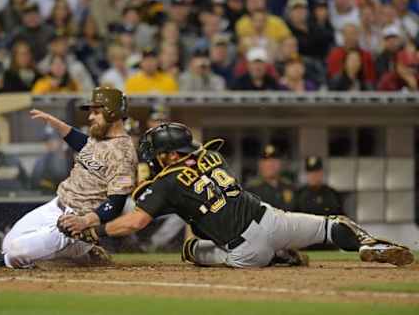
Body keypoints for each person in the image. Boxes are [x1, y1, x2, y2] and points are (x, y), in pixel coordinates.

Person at [56, 122, 414, 268]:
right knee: (333, 224)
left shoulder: (164, 181)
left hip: (244, 252)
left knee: (191, 249)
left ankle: (277, 261)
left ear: (166, 155)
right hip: (272, 220)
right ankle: (370, 246)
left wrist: (96, 228)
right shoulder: (212, 155)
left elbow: (135, 222)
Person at [0, 87, 138, 269]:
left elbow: (116, 204)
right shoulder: (100, 137)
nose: (90, 117)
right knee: (8, 243)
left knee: (14, 253)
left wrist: (84, 222)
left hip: (76, 223)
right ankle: (81, 257)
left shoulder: (124, 154)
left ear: (112, 112)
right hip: (57, 206)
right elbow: (83, 143)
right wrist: (54, 123)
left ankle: (73, 251)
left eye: (96, 112)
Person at [245, 144, 295, 211]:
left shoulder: (290, 187)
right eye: (266, 162)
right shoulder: (251, 190)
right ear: (260, 165)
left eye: (274, 161)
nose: (270, 165)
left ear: (280, 164)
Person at [30, 126, 71, 194]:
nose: (49, 143)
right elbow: (34, 185)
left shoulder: (70, 159)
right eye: (47, 140)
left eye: (53, 139)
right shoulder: (41, 162)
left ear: (61, 140)